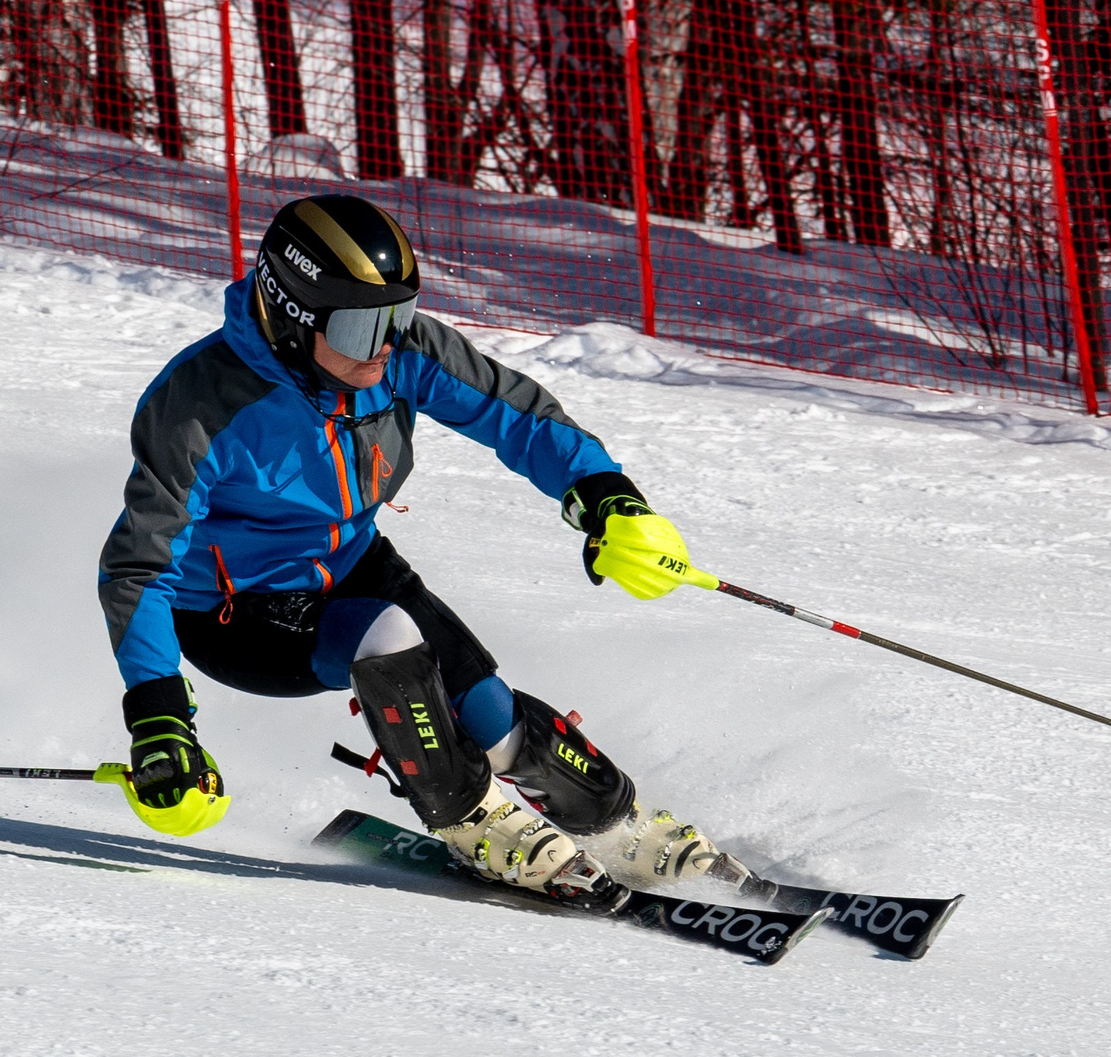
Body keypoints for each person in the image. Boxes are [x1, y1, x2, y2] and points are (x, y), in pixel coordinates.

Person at [97, 194, 729, 907]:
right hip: (232, 611)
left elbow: (516, 415)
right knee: (388, 635)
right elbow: (139, 567)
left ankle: (617, 824)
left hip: (353, 563)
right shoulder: (199, 404)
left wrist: (608, 498)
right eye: (363, 325)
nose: (386, 344)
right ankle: (475, 821)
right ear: (292, 319)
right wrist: (158, 715)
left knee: (490, 713)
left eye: (397, 315)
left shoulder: (398, 353)